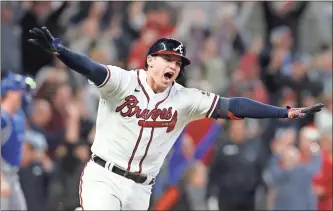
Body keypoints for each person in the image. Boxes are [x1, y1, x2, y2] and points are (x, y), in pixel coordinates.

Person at [28, 26, 324, 210]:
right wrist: (61, 51)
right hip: (104, 176)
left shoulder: (184, 98)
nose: (174, 65)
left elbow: (234, 105)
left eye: (178, 62)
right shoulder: (123, 81)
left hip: (142, 188)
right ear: (150, 61)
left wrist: (283, 112)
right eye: (168, 59)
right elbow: (91, 68)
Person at [1, 72, 36, 210]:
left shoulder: (18, 115)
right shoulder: (2, 117)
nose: (23, 95)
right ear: (11, 93)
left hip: (13, 176)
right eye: (20, 92)